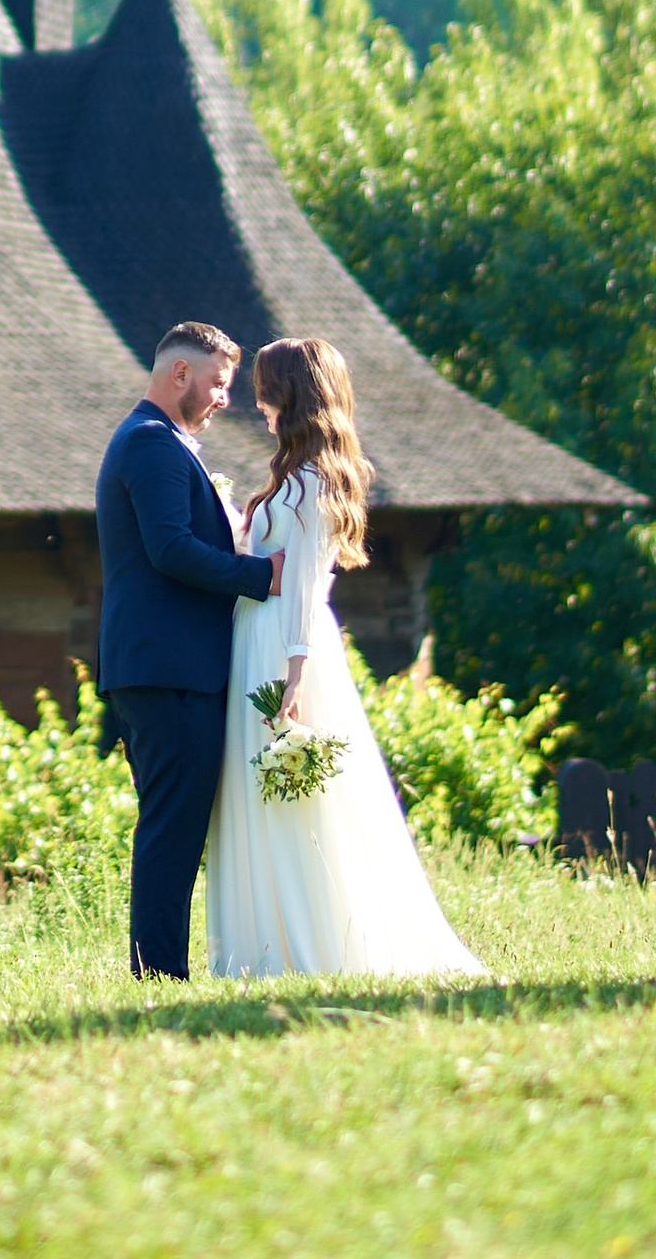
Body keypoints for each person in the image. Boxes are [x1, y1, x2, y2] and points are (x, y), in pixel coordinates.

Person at [204, 335, 481, 981]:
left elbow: (303, 582)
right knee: (271, 793)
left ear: (289, 394)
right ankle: (270, 937)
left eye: (266, 391)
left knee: (293, 795)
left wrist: (292, 674)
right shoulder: (296, 478)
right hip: (266, 634)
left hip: (282, 642)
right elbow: (270, 560)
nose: (258, 405)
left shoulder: (309, 483)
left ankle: (307, 940)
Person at [95, 320, 282, 982]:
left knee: (174, 822)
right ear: (180, 374)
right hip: (166, 666)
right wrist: (263, 575)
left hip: (167, 665)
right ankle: (157, 973)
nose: (223, 399)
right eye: (217, 383)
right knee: (172, 825)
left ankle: (162, 966)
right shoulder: (150, 442)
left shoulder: (166, 441)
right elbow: (169, 548)